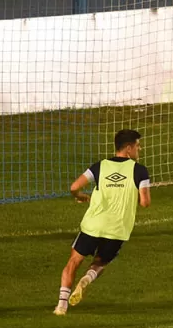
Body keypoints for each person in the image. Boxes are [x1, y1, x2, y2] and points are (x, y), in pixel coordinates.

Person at [54, 129, 151, 316]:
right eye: (138, 146)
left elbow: (74, 187)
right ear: (129, 149)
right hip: (118, 229)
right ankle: (86, 280)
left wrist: (80, 196)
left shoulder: (100, 166)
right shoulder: (140, 170)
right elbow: (145, 203)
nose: (140, 149)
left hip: (93, 225)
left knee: (73, 261)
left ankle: (61, 306)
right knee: (100, 263)